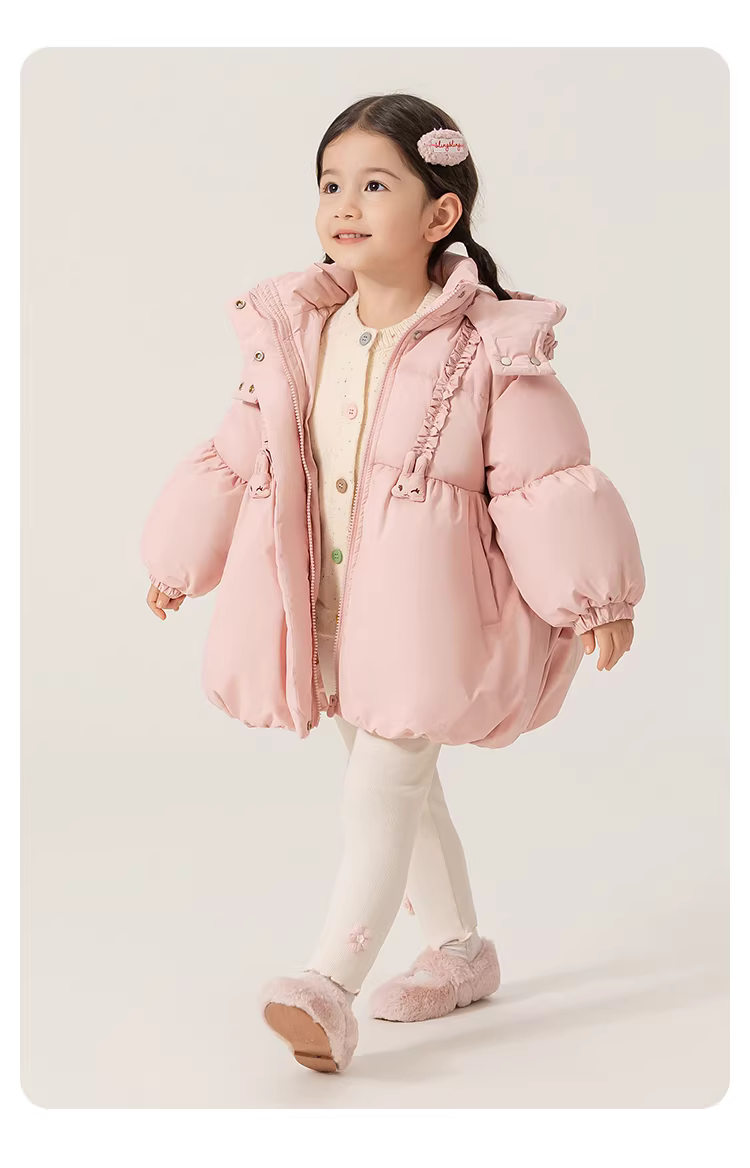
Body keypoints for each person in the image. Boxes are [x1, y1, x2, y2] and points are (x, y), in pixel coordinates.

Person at [140, 93, 646, 1074]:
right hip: (324, 608)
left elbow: (541, 476)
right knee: (402, 786)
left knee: (382, 785)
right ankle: (459, 949)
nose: (346, 203)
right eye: (331, 183)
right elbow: (240, 453)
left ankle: (327, 985)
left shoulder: (487, 345)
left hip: (425, 614)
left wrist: (596, 593)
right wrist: (177, 558)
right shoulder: (296, 332)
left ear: (440, 213)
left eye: (376, 184)